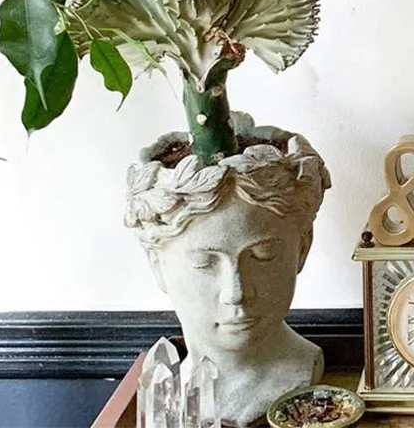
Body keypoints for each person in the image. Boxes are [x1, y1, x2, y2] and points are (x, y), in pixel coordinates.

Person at [126, 116, 330, 427]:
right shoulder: (162, 381)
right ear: (156, 263)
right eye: (204, 263)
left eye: (262, 255)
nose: (236, 292)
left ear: (302, 247)